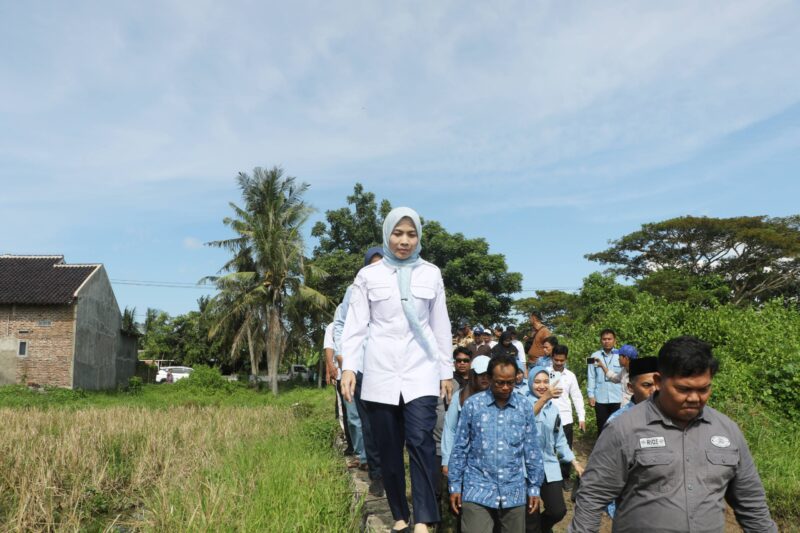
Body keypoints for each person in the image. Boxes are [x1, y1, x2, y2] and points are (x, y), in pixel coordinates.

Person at [569, 336, 778, 533]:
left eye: (704, 389)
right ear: (659, 381)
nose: (695, 398)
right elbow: (592, 498)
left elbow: (752, 504)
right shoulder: (624, 429)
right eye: (683, 389)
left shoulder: (727, 430)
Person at [341, 207, 453, 533]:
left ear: (418, 237)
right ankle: (400, 516)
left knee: (421, 442)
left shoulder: (431, 273)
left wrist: (445, 371)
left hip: (421, 371)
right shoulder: (367, 277)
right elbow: (356, 326)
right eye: (398, 233)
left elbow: (441, 325)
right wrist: (349, 367)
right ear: (387, 234)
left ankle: (423, 519)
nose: (404, 241)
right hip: (380, 373)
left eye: (411, 234)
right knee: (389, 448)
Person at [448, 355, 544, 533]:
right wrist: (454, 484)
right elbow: (460, 447)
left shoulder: (524, 407)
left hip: (513, 489)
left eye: (510, 382)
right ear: (490, 378)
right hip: (477, 487)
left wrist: (534, 486)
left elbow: (532, 450)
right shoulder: (473, 406)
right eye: (500, 382)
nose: (506, 387)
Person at [527, 368, 584, 533]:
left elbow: (560, 440)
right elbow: (524, 421)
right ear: (530, 383)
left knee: (558, 511)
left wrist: (575, 463)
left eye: (546, 382)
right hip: (526, 469)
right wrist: (544, 399)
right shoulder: (521, 403)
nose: (542, 386)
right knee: (531, 513)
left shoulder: (553, 408)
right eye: (537, 382)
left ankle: (541, 528)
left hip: (549, 466)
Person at [602, 356, 659, 518]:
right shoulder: (618, 423)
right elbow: (606, 476)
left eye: (659, 383)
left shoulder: (674, 419)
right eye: (647, 385)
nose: (654, 390)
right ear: (630, 387)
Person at [441, 355, 492, 477]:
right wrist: (447, 460)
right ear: (473, 375)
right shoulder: (459, 397)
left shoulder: (498, 398)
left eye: (488, 374)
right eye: (480, 374)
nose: (484, 378)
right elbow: (450, 429)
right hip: (465, 460)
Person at [548, 345, 585, 487]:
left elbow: (576, 396)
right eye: (556, 360)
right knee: (549, 447)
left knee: (566, 448)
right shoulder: (545, 373)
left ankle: (565, 476)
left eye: (561, 360)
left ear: (566, 359)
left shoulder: (570, 376)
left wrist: (581, 417)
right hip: (548, 416)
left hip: (565, 417)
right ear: (552, 358)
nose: (558, 363)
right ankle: (550, 477)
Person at [586, 329, 622, 434]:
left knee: (618, 427)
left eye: (609, 339)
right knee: (602, 427)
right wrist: (591, 395)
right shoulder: (593, 356)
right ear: (601, 341)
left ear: (614, 340)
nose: (607, 341)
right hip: (600, 398)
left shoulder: (621, 355)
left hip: (618, 397)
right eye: (604, 339)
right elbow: (591, 376)